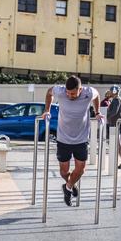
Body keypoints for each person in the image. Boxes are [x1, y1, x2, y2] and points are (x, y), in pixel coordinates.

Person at [43, 76, 102, 206]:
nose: (70, 95)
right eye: (68, 93)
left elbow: (97, 95)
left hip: (81, 139)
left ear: (80, 89)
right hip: (63, 138)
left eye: (73, 93)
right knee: (64, 171)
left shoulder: (88, 93)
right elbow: (49, 92)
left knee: (80, 169)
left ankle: (68, 187)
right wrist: (47, 110)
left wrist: (97, 112)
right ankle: (71, 184)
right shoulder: (60, 91)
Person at [106, 85, 121, 167]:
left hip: (115, 124)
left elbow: (114, 112)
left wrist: (107, 116)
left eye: (111, 91)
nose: (110, 92)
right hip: (115, 123)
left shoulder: (116, 100)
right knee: (118, 144)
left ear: (114, 91)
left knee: (118, 144)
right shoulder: (116, 100)